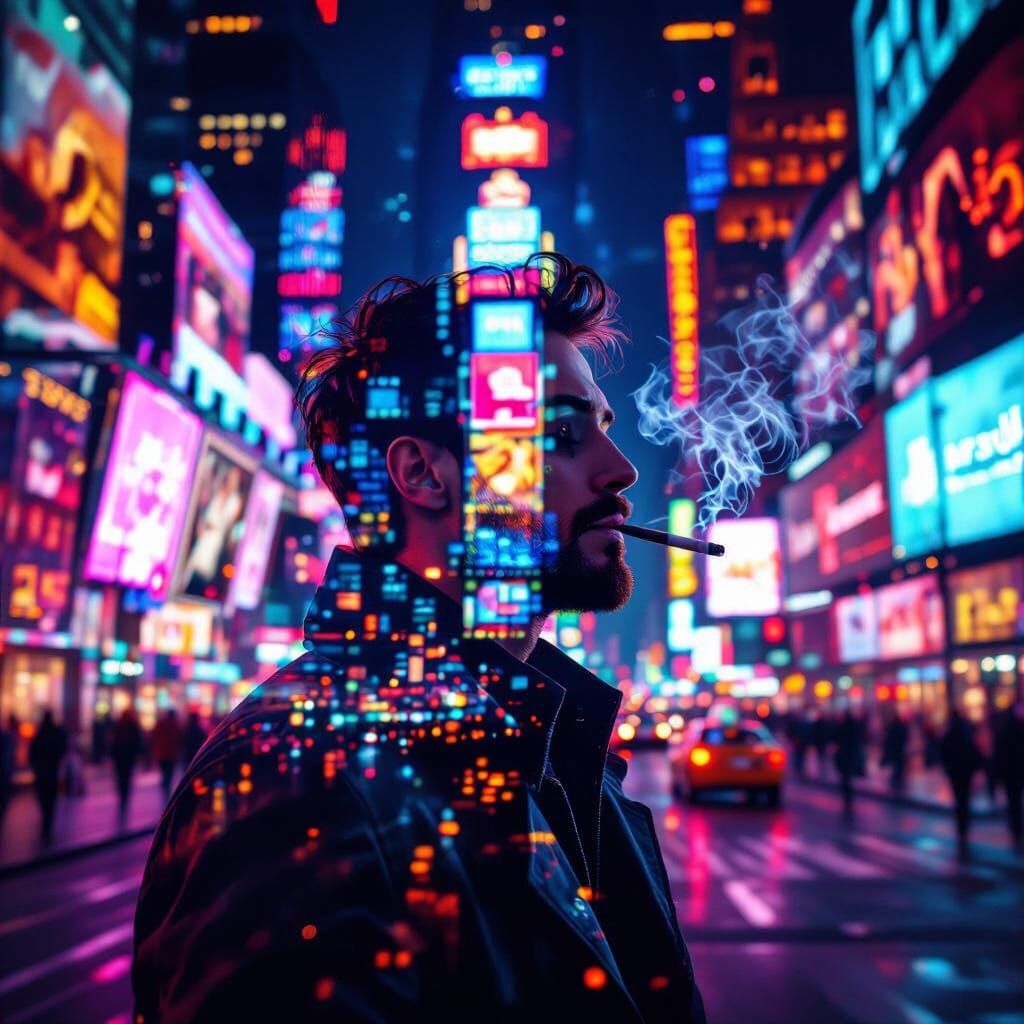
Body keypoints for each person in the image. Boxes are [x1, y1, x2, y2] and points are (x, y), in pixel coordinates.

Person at [133, 257, 707, 1022]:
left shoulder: (554, 744)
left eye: (603, 426)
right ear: (424, 474)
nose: (622, 469)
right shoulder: (304, 783)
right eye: (562, 434)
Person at [940, 709, 982, 853]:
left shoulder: (950, 733)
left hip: (956, 772)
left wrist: (948, 768)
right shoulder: (965, 732)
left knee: (960, 799)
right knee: (964, 799)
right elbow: (972, 749)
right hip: (965, 771)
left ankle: (962, 828)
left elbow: (944, 752)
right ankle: (964, 827)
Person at [28, 710, 67, 842]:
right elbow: (63, 747)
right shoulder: (55, 732)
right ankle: (48, 823)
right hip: (52, 771)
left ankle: (46, 822)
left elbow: (32, 752)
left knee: (44, 798)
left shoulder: (40, 733)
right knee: (50, 799)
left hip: (42, 771)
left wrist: (34, 765)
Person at [993, 698, 1024, 850]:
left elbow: (999, 755)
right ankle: (1017, 831)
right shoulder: (1015, 729)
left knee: (1014, 804)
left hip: (1011, 775)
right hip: (1014, 773)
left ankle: (1017, 830)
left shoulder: (1004, 730)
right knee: (1015, 803)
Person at [111, 708, 143, 821]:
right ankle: (124, 795)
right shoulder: (132, 725)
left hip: (120, 757)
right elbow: (138, 741)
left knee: (121, 777)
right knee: (126, 777)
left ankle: (122, 795)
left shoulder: (118, 725)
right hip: (128, 757)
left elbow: (113, 741)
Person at [833, 708, 864, 817]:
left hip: (845, 756)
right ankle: (848, 795)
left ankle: (847, 796)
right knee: (848, 776)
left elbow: (836, 738)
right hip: (850, 756)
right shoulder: (855, 727)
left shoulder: (842, 727)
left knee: (845, 777)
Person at [151, 709, 183, 801]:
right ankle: (166, 788)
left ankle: (165, 788)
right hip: (171, 754)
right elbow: (179, 740)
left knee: (165, 773)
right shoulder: (175, 725)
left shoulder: (161, 724)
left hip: (162, 753)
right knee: (169, 773)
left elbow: (154, 738)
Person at [881, 712, 909, 793]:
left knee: (897, 764)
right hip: (899, 749)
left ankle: (896, 779)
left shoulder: (893, 728)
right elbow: (904, 738)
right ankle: (898, 779)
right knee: (899, 764)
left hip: (896, 750)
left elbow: (890, 739)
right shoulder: (901, 728)